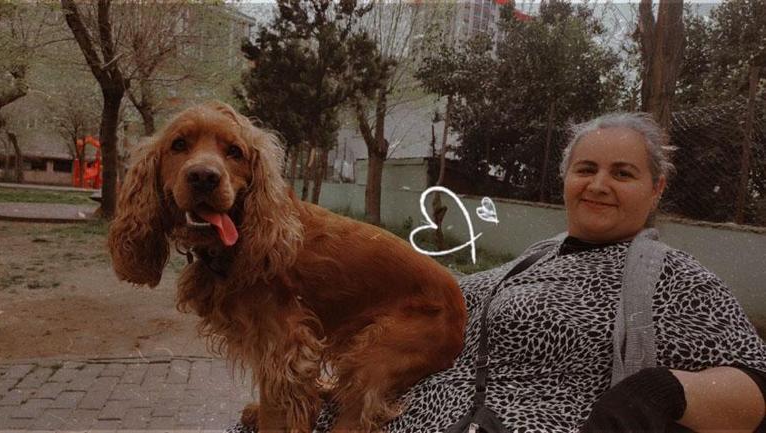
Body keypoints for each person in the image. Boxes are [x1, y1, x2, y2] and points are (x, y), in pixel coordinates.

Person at [226, 112, 766, 433]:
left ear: (656, 189)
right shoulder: (530, 261)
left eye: (623, 173)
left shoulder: (673, 276)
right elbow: (405, 317)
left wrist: (660, 391)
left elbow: (754, 388)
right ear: (566, 180)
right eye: (586, 169)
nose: (599, 184)